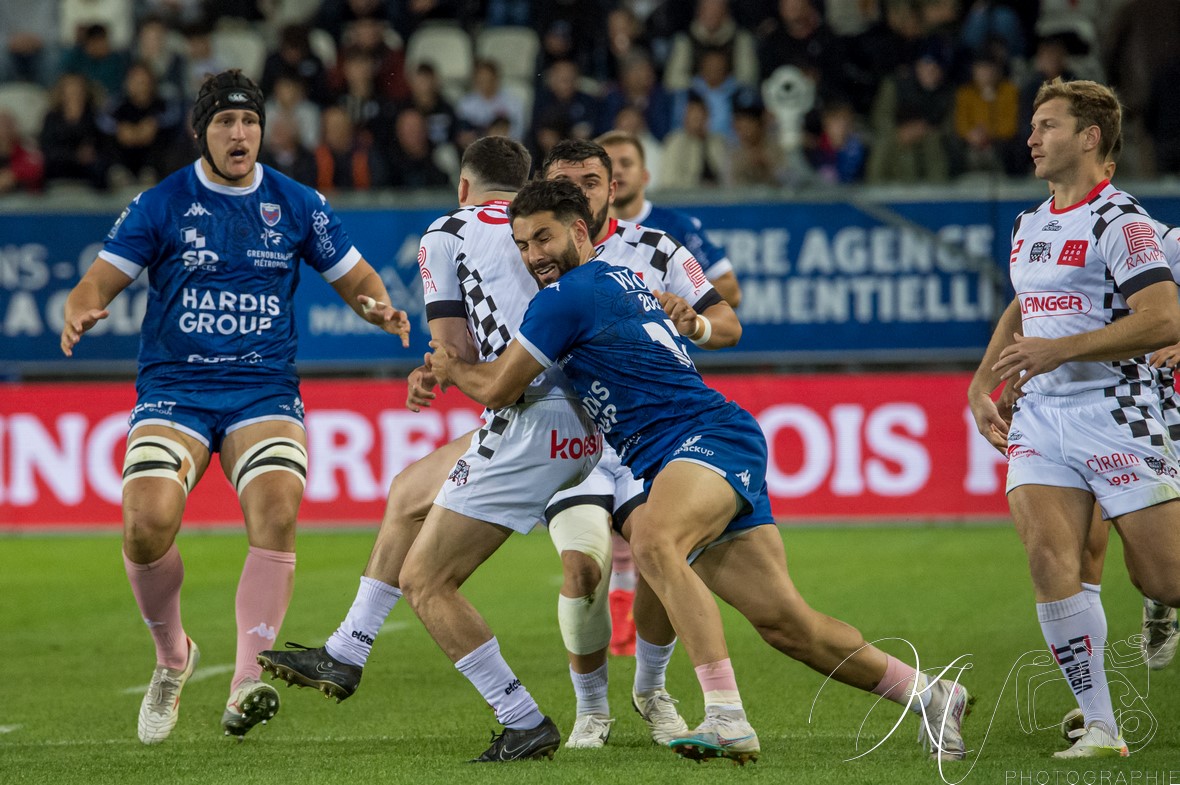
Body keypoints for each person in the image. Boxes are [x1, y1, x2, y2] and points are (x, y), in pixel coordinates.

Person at [430, 177, 973, 765]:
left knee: (655, 540)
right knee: (788, 625)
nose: (533, 255)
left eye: (543, 237)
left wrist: (451, 367)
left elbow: (499, 389)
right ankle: (930, 693)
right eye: (521, 244)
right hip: (705, 444)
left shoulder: (564, 297)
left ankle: (726, 717)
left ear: (580, 230)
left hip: (702, 439)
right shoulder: (617, 277)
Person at [58, 69, 411, 745]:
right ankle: (173, 655)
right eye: (225, 122)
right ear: (203, 132)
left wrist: (377, 306)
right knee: (144, 524)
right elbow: (97, 281)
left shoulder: (297, 203)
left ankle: (247, 679)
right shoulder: (163, 203)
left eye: (249, 121)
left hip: (262, 389)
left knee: (277, 507)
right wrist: (81, 309)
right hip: (175, 389)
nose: (239, 133)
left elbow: (358, 276)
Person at [259, 136, 602, 762]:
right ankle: (347, 650)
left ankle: (523, 720)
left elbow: (456, 349)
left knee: (425, 581)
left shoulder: (447, 231)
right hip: (583, 418)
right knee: (409, 491)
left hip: (530, 417)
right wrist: (445, 368)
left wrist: (437, 366)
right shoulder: (547, 231)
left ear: (464, 186)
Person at [967, 78, 1180, 759]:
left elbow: (1163, 317)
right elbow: (1023, 304)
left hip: (1118, 412)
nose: (1031, 137)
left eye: (1047, 126)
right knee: (1049, 558)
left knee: (1165, 578)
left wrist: (1058, 349)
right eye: (1033, 126)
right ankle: (1101, 726)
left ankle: (1160, 600)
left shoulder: (1122, 222)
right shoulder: (1029, 224)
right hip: (1041, 417)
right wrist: (982, 382)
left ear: (1090, 138)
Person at [538, 138, 742, 748]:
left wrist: (692, 321)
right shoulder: (530, 254)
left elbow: (728, 323)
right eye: (566, 182)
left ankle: (650, 690)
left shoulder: (657, 247)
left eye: (591, 182)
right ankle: (591, 709)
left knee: (661, 553)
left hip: (647, 441)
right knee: (581, 568)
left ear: (613, 188)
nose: (580, 194)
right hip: (571, 443)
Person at [592, 128, 741, 659]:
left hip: (664, 396)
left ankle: (650, 657)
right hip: (594, 407)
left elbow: (726, 296)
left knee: (653, 527)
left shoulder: (669, 233)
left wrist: (685, 318)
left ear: (639, 175)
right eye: (609, 164)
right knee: (611, 531)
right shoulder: (557, 246)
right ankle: (620, 607)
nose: (618, 171)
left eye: (625, 163)